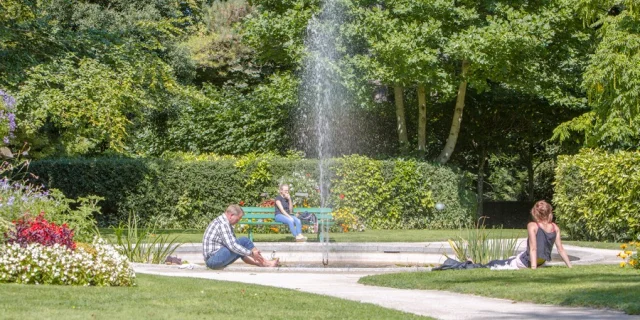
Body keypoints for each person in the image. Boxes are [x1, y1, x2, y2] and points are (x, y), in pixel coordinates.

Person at [486, 200, 572, 269]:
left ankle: (476, 264)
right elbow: (560, 249)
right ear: (550, 213)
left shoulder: (532, 226)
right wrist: (570, 266)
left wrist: (533, 268)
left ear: (534, 213)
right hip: (540, 262)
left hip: (525, 262)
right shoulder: (555, 227)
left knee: (495, 263)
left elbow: (533, 248)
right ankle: (512, 259)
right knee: (511, 259)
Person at [203, 204, 279, 269]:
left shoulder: (224, 222)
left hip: (215, 259)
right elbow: (232, 246)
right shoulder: (223, 224)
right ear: (231, 215)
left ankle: (262, 263)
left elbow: (238, 250)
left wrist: (251, 254)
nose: (237, 222)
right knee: (243, 241)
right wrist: (251, 253)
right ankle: (265, 263)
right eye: (237, 219)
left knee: (241, 247)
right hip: (213, 260)